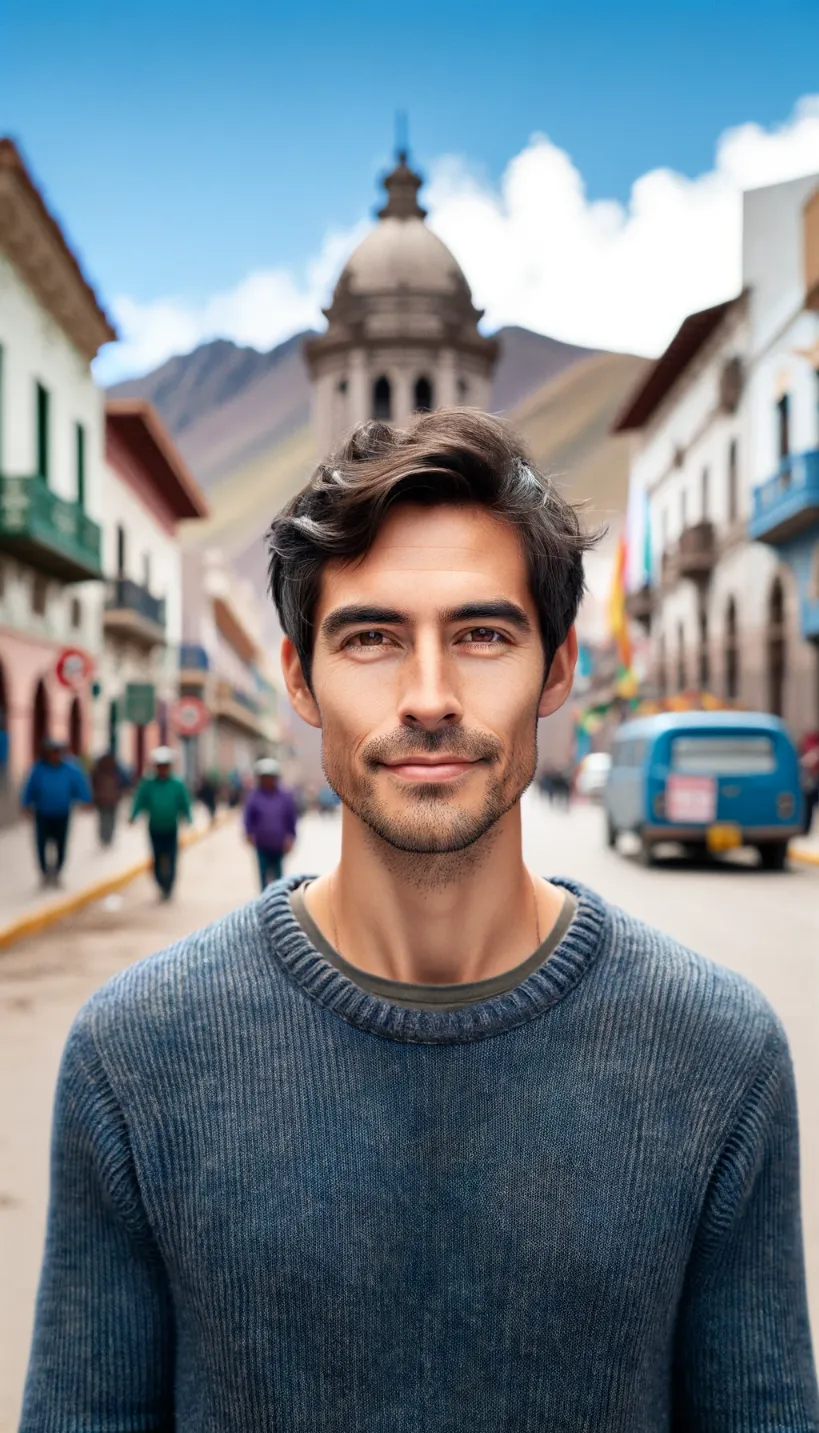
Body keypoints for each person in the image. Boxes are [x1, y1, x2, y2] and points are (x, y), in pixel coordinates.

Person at [21, 410, 819, 1429]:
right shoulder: (133, 1056)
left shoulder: (721, 1057)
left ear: (559, 668)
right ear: (301, 677)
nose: (430, 696)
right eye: (372, 637)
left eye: (484, 633)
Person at [20, 736, 91, 887]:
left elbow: (80, 784)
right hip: (43, 813)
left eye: (57, 752)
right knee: (41, 845)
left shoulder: (70, 768)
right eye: (51, 752)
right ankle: (45, 873)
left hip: (62, 813)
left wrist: (86, 800)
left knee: (61, 845)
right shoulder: (39, 769)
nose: (54, 755)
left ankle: (58, 872)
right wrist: (25, 804)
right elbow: (29, 787)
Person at [129, 746, 192, 901]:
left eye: (165, 765)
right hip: (154, 828)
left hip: (171, 828)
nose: (162, 769)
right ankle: (160, 883)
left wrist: (189, 816)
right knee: (157, 858)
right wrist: (133, 815)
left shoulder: (177, 784)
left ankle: (169, 886)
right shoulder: (148, 783)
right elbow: (139, 800)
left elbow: (184, 802)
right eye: (160, 765)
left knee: (171, 858)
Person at [243, 757, 298, 890]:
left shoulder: (285, 796)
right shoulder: (254, 796)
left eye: (270, 777)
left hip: (278, 844)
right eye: (264, 777)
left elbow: (291, 818)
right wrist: (249, 832)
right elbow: (248, 817)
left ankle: (276, 902)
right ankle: (264, 902)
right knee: (263, 874)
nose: (268, 780)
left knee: (278, 877)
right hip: (261, 844)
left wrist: (291, 837)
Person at [90, 749, 129, 847]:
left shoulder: (99, 770)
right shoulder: (117, 769)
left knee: (104, 818)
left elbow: (92, 782)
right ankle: (107, 837)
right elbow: (125, 781)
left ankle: (105, 837)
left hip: (104, 799)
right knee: (110, 818)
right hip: (110, 799)